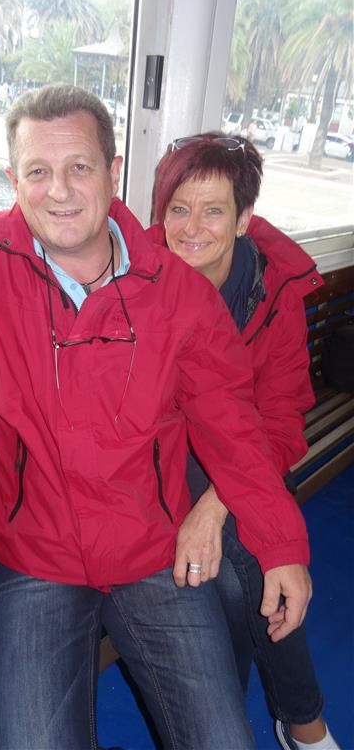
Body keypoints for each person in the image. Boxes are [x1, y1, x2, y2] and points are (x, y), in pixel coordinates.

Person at [0, 85, 312, 750]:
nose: (59, 191)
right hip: (36, 558)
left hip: (152, 553)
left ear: (113, 169)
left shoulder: (180, 295)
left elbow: (236, 431)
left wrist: (282, 547)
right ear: (13, 180)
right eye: (38, 171)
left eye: (79, 166)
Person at [148, 131, 340, 750]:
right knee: (239, 574)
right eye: (179, 208)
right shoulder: (136, 276)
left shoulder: (273, 292)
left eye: (213, 210)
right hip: (160, 458)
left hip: (245, 456)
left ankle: (272, 719)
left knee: (239, 564)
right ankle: (298, 723)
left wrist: (215, 505)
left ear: (243, 219)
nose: (191, 228)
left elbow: (281, 422)